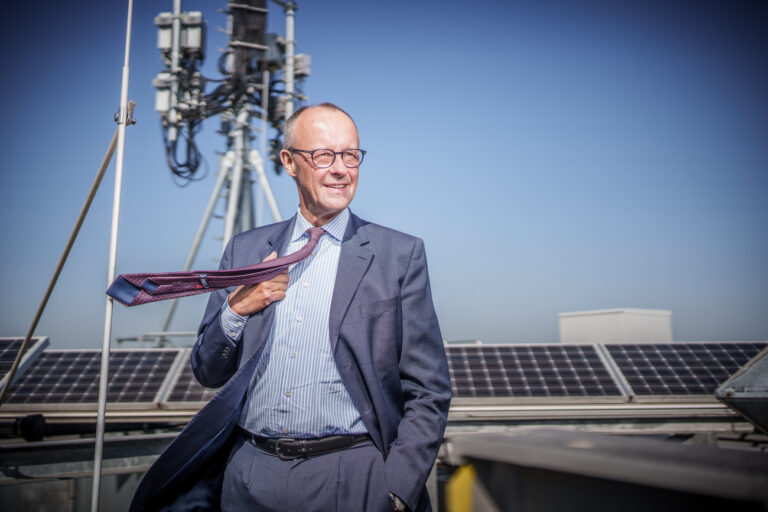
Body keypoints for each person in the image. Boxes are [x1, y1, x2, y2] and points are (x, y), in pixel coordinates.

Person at [130, 103, 451, 512]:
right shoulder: (245, 250)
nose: (341, 169)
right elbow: (208, 371)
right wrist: (236, 310)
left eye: (350, 155)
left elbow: (429, 389)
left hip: (354, 477)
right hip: (249, 475)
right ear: (289, 162)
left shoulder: (399, 254)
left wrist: (396, 489)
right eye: (323, 155)